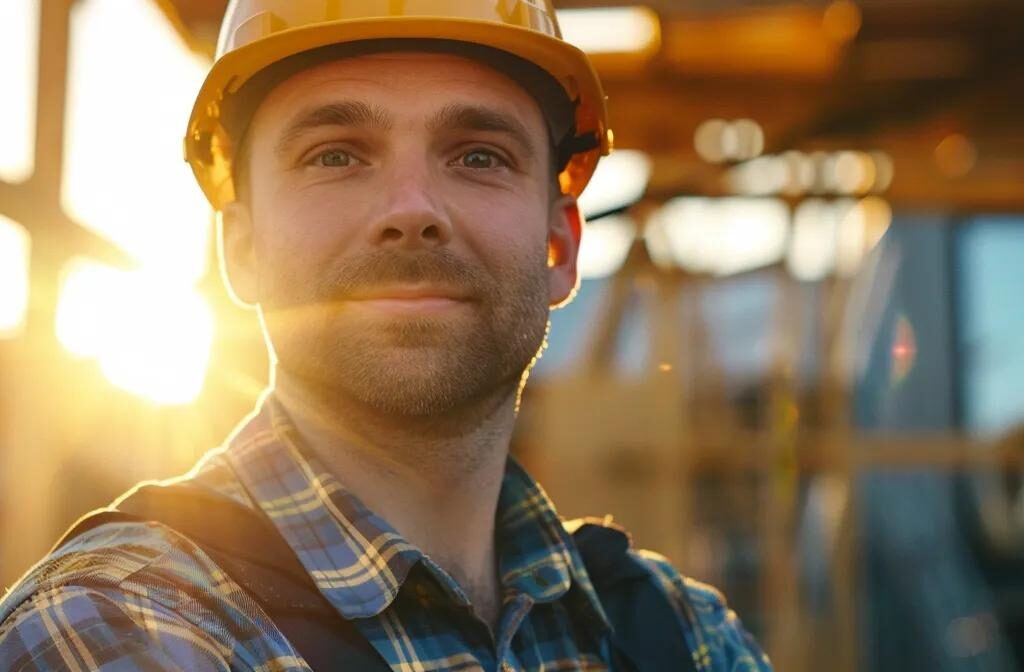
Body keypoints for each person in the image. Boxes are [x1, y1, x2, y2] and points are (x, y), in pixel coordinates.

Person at [0, 1, 771, 670]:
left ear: (560, 248)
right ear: (244, 250)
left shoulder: (681, 634)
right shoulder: (119, 632)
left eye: (478, 156)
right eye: (335, 155)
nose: (412, 207)